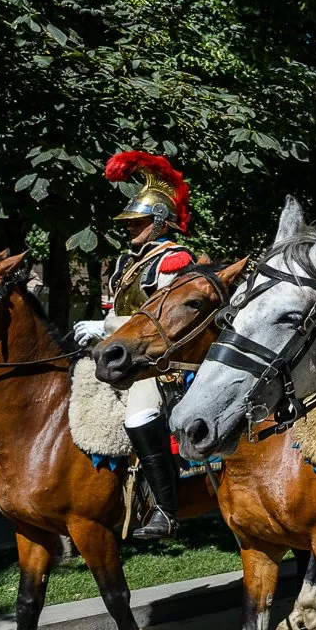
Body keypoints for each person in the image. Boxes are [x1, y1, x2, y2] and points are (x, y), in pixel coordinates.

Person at [72, 152, 197, 540]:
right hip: (121, 354)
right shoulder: (130, 259)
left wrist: (104, 325)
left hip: (155, 362)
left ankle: (164, 509)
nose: (131, 229)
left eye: (139, 222)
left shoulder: (174, 260)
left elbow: (164, 322)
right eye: (131, 223)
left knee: (138, 417)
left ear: (160, 222)